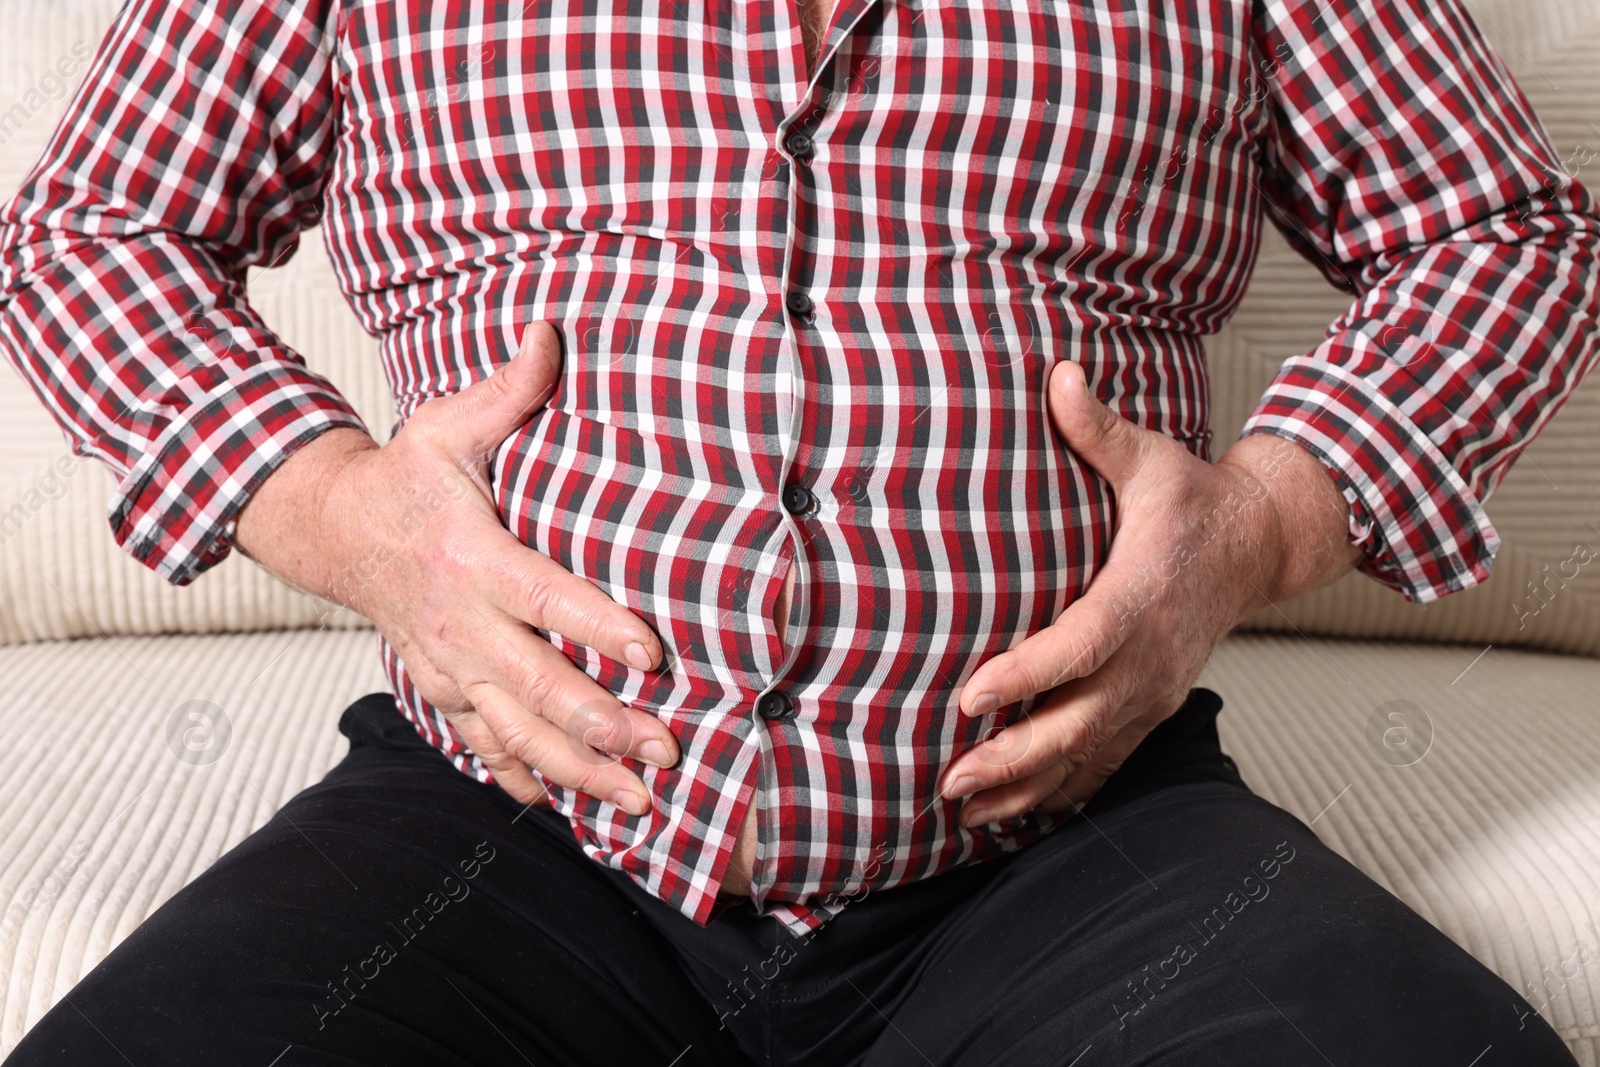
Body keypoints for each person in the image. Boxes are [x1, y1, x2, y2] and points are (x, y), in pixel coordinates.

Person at [0, 0, 1593, 1062]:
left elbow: (1503, 233)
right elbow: (91, 231)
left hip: (1077, 834)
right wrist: (346, 516)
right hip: (506, 825)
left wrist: (1254, 526)